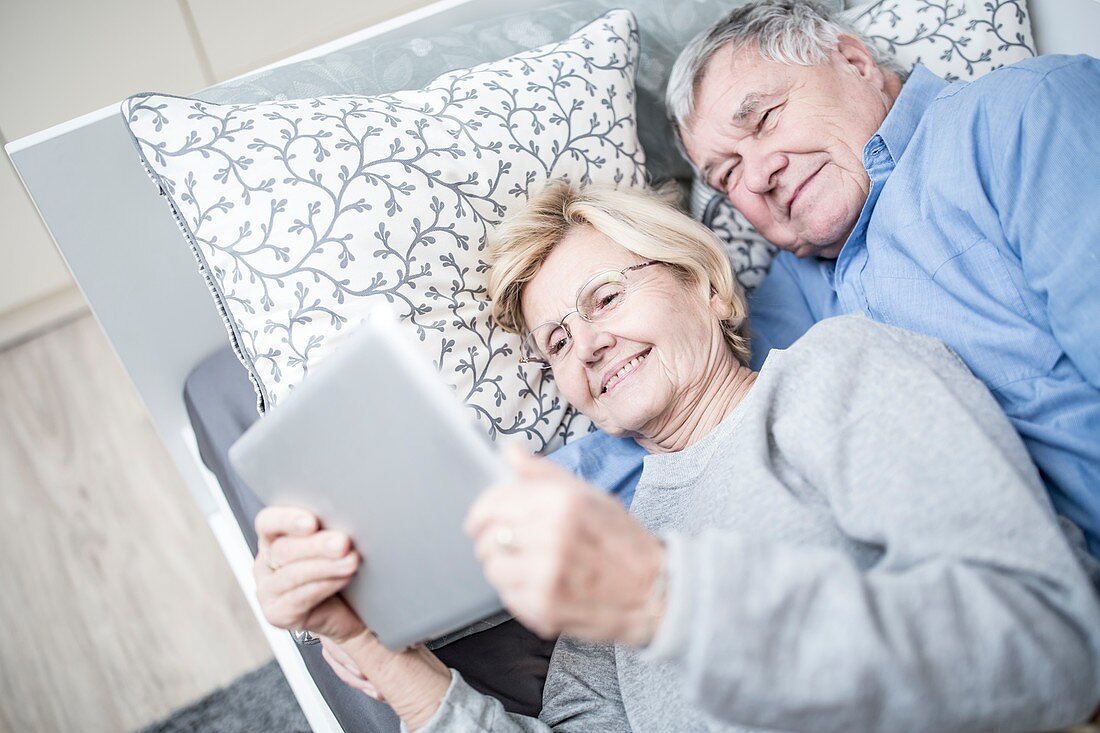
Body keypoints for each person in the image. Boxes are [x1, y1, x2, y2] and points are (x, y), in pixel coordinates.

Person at [253, 181, 1100, 732]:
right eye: (556, 340)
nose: (586, 343)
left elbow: (1058, 651)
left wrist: (662, 596)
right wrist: (378, 654)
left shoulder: (838, 373)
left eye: (607, 296)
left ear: (702, 281)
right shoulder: (607, 541)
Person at [655, 0, 1100, 556]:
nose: (760, 173)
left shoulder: (1021, 113)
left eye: (765, 118)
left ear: (854, 60)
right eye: (728, 173)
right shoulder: (792, 288)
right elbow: (683, 417)